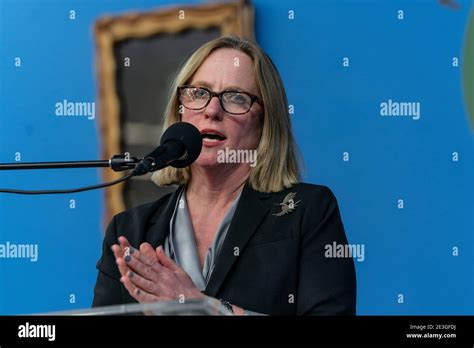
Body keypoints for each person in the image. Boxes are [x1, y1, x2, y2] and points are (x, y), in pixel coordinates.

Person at [92, 36, 356, 315]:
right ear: (179, 110)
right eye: (198, 93)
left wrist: (205, 308)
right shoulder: (129, 231)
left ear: (266, 123)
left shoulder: (308, 211)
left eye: (236, 97)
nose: (212, 110)